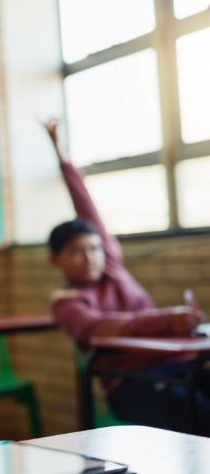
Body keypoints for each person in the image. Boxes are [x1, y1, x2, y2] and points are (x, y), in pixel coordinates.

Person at [43, 119, 210, 436]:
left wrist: (62, 156)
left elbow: (87, 209)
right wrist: (165, 321)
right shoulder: (67, 304)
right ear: (56, 259)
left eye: (94, 248)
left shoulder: (111, 267)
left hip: (179, 366)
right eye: (77, 250)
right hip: (132, 384)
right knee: (202, 417)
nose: (90, 257)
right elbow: (102, 327)